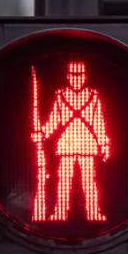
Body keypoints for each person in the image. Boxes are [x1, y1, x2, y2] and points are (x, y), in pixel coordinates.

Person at [31, 59, 111, 222]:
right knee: (64, 181)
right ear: (68, 76)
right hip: (66, 144)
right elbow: (54, 120)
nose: (77, 78)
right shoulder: (61, 96)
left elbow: (99, 122)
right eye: (74, 75)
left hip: (87, 144)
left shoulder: (93, 97)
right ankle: (60, 212)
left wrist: (104, 143)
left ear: (85, 77)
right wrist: (42, 133)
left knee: (89, 181)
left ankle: (93, 212)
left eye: (80, 75)